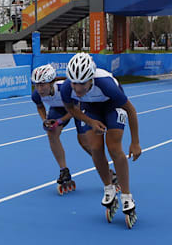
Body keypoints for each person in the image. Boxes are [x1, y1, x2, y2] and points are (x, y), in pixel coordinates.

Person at [60, 52, 142, 229]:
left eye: (82, 84)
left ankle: (127, 195)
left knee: (113, 148)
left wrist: (135, 142)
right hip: (91, 109)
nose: (78, 88)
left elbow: (131, 110)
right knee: (95, 148)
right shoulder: (68, 87)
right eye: (74, 83)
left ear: (91, 79)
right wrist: (90, 122)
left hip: (114, 106)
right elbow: (70, 108)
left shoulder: (105, 84)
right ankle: (109, 187)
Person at [30, 64, 93, 195]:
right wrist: (45, 120)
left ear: (51, 82)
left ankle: (106, 169)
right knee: (51, 133)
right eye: (37, 85)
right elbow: (40, 107)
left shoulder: (64, 89)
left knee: (84, 143)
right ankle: (64, 170)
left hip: (76, 108)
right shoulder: (36, 95)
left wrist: (59, 121)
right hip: (58, 108)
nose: (39, 89)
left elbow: (74, 111)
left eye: (43, 85)